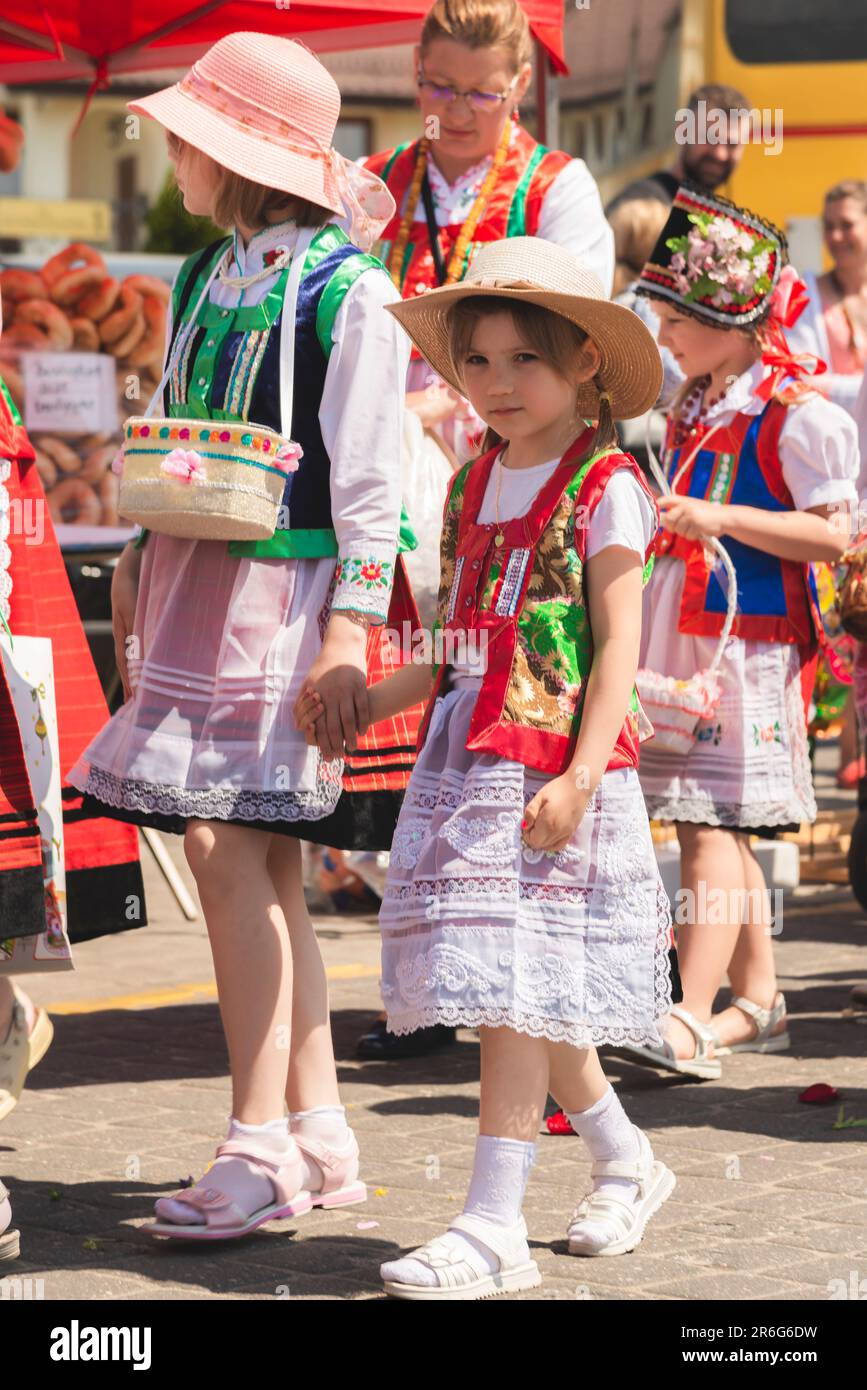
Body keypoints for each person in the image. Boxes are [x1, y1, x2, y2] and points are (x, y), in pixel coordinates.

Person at [70, 33, 412, 1240]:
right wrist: (137, 569)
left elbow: (375, 478)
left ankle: (258, 1137)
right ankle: (313, 1128)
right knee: (256, 857)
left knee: (230, 848)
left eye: (188, 134)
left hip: (283, 602)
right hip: (195, 584)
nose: (170, 151)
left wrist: (352, 632)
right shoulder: (207, 275)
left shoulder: (347, 288)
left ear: (238, 149)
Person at [299, 237, 675, 1299]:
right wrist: (372, 696)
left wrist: (586, 775)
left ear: (586, 365)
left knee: (515, 989)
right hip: (469, 761)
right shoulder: (469, 486)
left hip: (552, 768)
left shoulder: (609, 486)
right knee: (526, 990)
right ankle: (625, 1158)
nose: (500, 384)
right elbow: (466, 642)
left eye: (526, 360)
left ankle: (493, 1225)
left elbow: (618, 648)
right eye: (478, 361)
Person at [356, 0, 615, 1060]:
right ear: (414, 73)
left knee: (513, 703)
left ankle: (527, 978)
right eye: (436, 85)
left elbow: (574, 328)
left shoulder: (558, 186)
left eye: (479, 90)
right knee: (426, 704)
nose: (453, 110)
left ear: (519, 88)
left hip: (513, 470)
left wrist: (452, 404)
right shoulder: (378, 180)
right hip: (400, 470)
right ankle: (436, 974)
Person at [626, 186, 859, 1077]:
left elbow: (834, 533)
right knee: (704, 824)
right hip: (686, 638)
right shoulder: (699, 399)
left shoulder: (795, 412)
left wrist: (717, 517)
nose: (662, 331)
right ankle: (758, 1004)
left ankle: (687, 1012)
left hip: (748, 644)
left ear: (732, 320)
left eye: (676, 314)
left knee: (708, 827)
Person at [606, 83, 751, 217]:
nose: (720, 154)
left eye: (732, 144)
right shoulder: (642, 206)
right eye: (709, 138)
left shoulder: (713, 215)